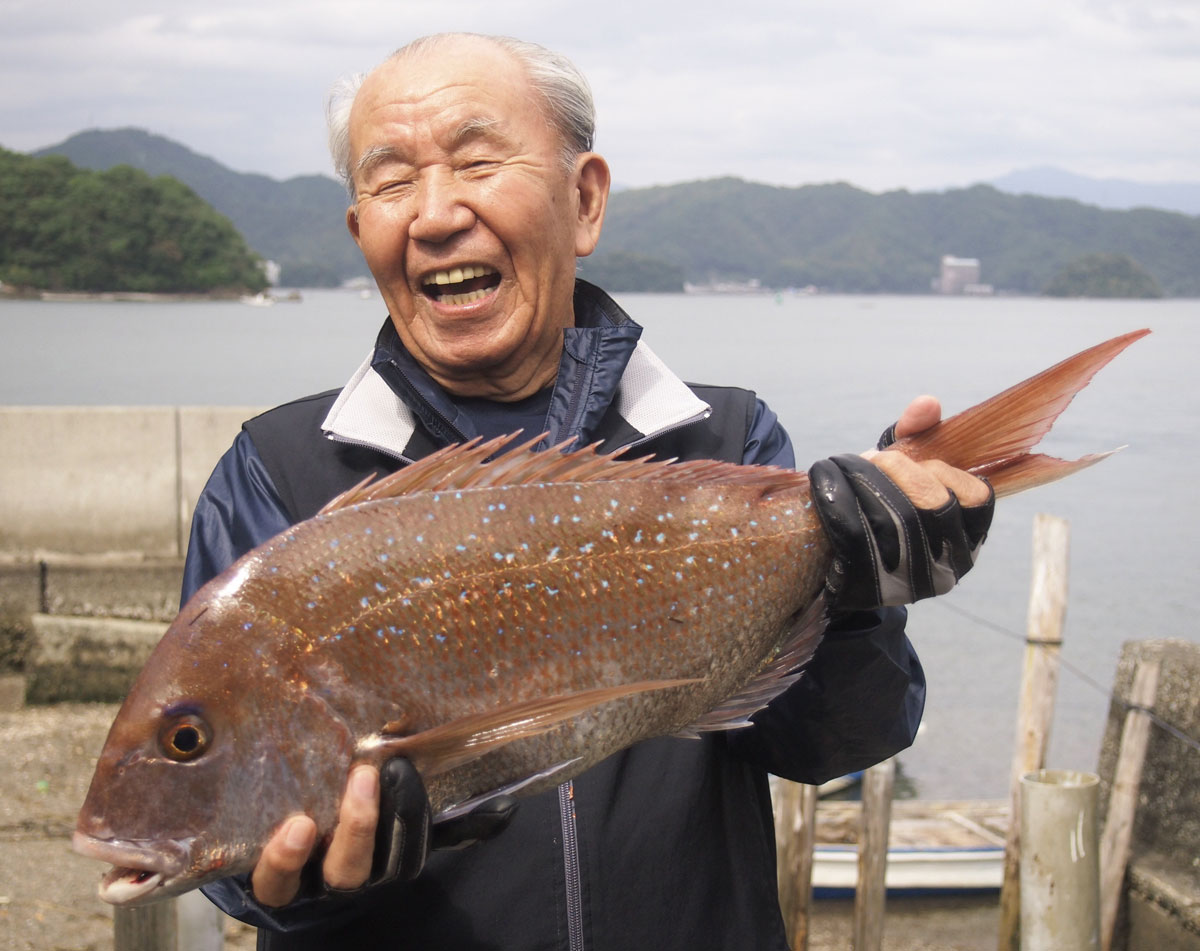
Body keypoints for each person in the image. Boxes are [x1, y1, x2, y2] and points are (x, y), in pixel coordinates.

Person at [183, 32, 993, 950]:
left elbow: (830, 743)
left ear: (584, 199)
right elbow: (238, 862)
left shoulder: (722, 439)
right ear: (359, 227)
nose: (436, 213)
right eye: (392, 180)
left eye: (478, 161)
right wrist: (314, 884)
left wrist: (860, 594)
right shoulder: (276, 472)